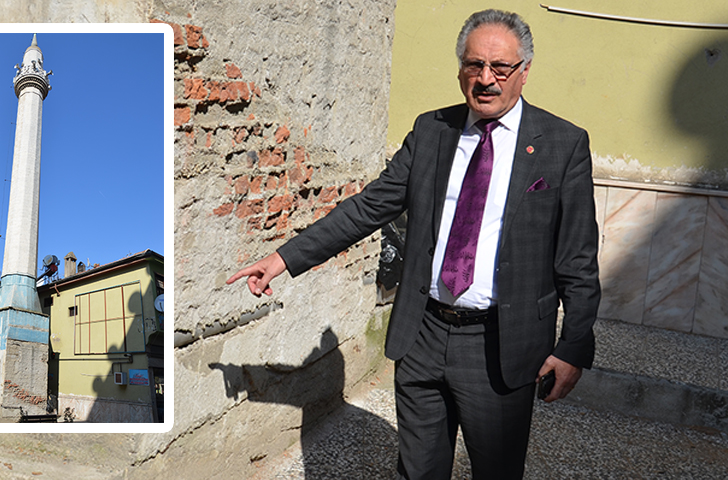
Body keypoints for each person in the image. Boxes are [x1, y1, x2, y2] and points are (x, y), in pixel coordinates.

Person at [226, 8, 600, 480]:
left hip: (500, 344)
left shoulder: (561, 144)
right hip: (422, 332)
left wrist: (573, 346)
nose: (486, 79)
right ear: (461, 68)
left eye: (500, 68)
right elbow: (366, 208)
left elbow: (579, 259)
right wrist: (283, 259)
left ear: (524, 71)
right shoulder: (432, 132)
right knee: (417, 471)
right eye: (474, 65)